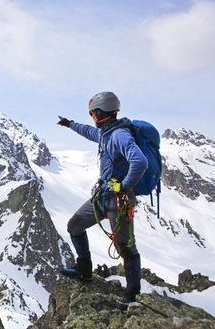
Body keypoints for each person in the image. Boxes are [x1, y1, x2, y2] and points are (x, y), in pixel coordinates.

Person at [57, 91, 148, 303]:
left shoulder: (119, 135)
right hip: (104, 195)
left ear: (99, 112)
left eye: (92, 113)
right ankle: (84, 269)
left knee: (125, 246)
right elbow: (88, 131)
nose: (92, 118)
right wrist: (70, 124)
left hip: (118, 199)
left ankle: (132, 292)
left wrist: (123, 186)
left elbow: (140, 162)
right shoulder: (107, 133)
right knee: (75, 226)